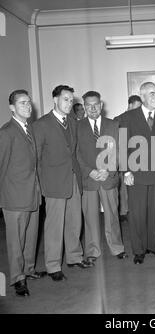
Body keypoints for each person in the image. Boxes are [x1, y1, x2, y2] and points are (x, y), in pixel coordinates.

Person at [32, 85, 92, 282]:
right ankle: (53, 265)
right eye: (65, 99)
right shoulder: (41, 125)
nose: (69, 103)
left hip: (74, 178)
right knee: (54, 226)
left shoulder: (73, 122)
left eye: (71, 100)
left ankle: (74, 257)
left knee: (75, 220)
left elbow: (74, 152)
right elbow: (36, 158)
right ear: (55, 100)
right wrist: (42, 185)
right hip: (54, 182)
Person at [119, 82, 155, 264]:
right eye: (151, 94)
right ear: (141, 97)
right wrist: (126, 171)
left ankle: (153, 246)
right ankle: (139, 250)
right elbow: (122, 146)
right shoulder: (127, 117)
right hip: (136, 174)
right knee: (137, 214)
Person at [0, 90, 45, 297]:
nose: (28, 106)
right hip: (14, 197)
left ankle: (28, 269)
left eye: (29, 102)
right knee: (16, 240)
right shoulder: (6, 132)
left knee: (30, 236)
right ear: (12, 108)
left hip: (32, 193)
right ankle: (18, 278)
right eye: (22, 103)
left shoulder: (30, 130)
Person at [77, 91, 127, 263]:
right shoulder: (77, 126)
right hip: (89, 179)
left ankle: (117, 247)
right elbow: (76, 154)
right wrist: (89, 171)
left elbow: (119, 150)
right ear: (84, 107)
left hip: (108, 178)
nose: (92, 108)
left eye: (96, 104)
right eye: (89, 105)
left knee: (112, 215)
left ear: (101, 105)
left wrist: (108, 169)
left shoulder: (114, 125)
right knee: (90, 217)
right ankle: (92, 250)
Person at [115, 95, 142, 221]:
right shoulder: (118, 120)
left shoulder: (140, 119)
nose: (138, 110)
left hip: (138, 159)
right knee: (123, 189)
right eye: (136, 107)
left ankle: (134, 212)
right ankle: (123, 213)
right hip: (123, 159)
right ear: (130, 105)